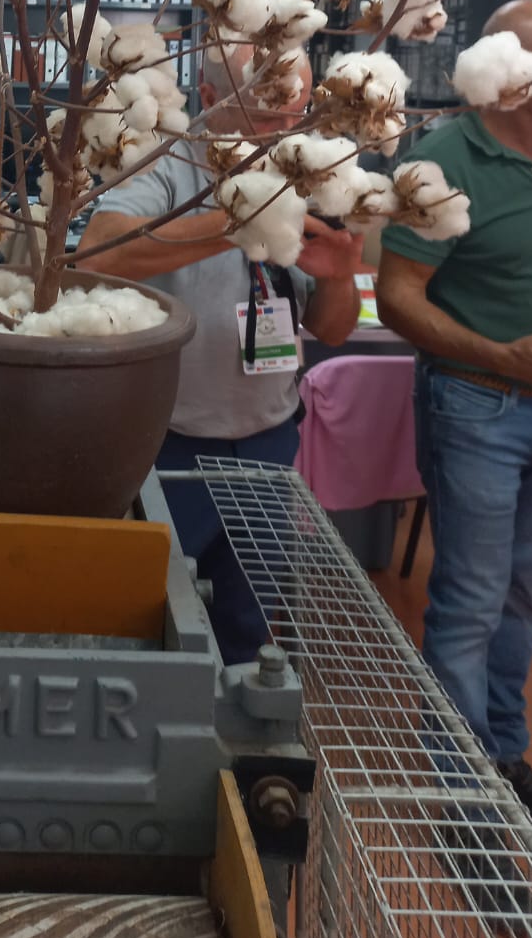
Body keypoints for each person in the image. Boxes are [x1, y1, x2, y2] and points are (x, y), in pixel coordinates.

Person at [78, 42, 362, 665]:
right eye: (266, 113)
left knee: (247, 625)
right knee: (150, 622)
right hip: (165, 443)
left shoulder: (302, 170)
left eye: (298, 112)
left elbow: (333, 329)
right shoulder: (168, 160)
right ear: (208, 100)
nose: (286, 130)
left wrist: (341, 276)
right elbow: (100, 251)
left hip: (268, 443)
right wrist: (239, 219)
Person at [378, 0, 532, 829]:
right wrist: (501, 356)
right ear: (512, 75)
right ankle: (461, 794)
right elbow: (397, 296)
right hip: (480, 401)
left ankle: (503, 758)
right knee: (474, 596)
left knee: (521, 592)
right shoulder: (444, 158)